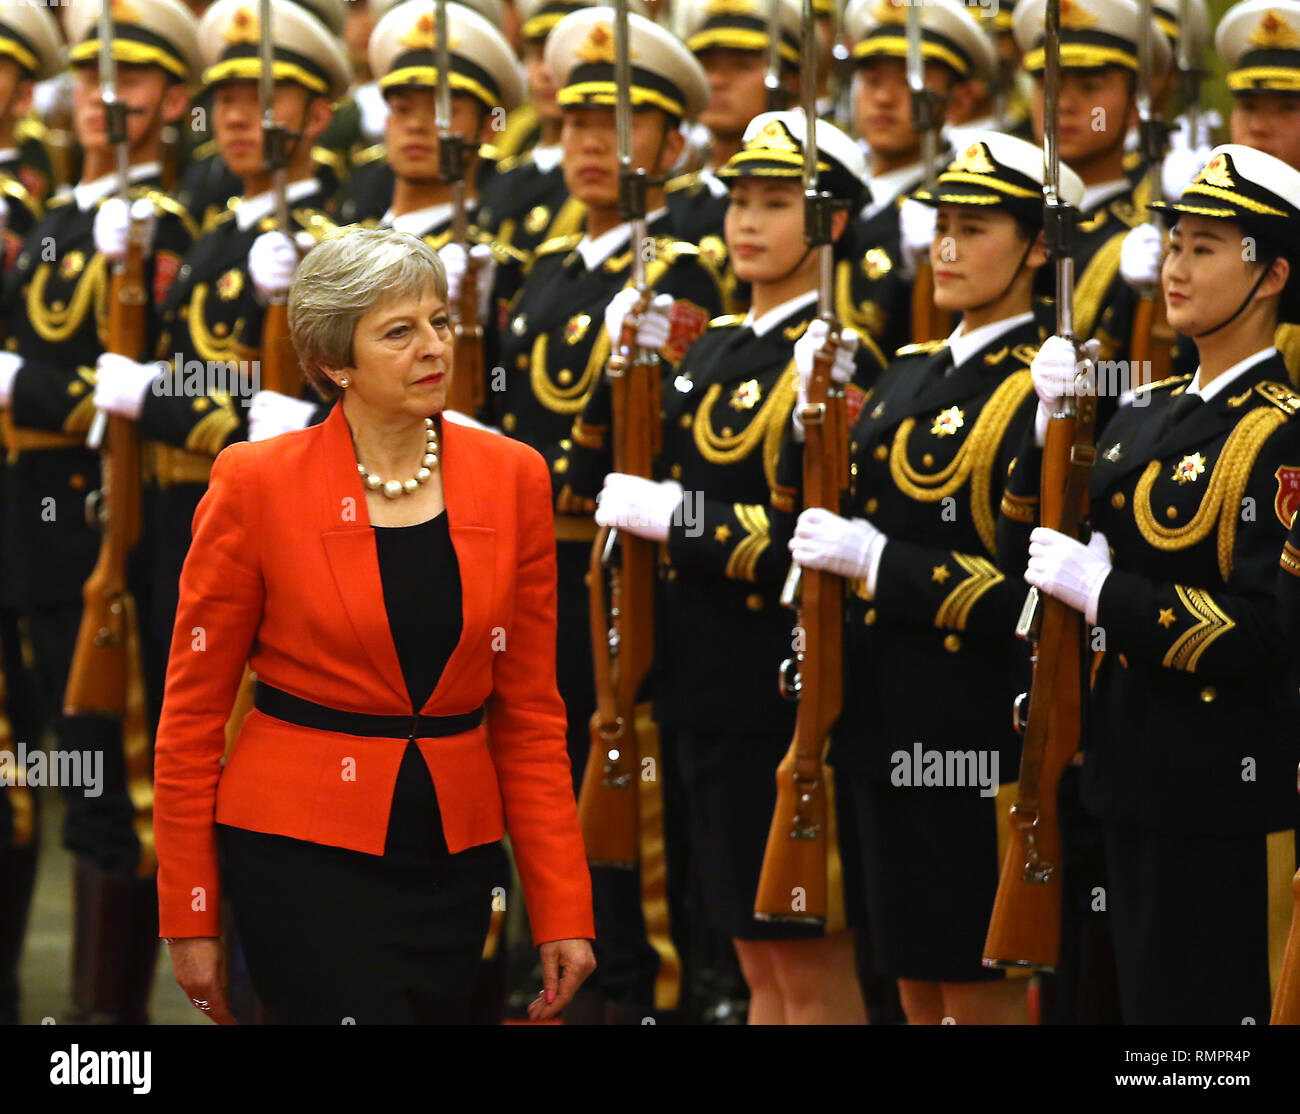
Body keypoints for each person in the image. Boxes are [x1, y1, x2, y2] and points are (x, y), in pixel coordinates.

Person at [154, 224, 596, 1025]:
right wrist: (190, 915)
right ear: (334, 363)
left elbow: (531, 716)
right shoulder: (256, 483)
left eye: (440, 322)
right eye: (399, 332)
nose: (434, 347)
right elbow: (190, 720)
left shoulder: (512, 476)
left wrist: (562, 909)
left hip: (456, 864)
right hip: (300, 856)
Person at [592, 110, 882, 1025]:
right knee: (753, 956)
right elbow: (602, 466)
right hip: (694, 677)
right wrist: (621, 369)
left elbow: (814, 528)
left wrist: (680, 521)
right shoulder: (712, 343)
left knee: (807, 959)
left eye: (777, 204)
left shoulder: (837, 354)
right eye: (740, 203)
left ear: (831, 225)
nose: (747, 222)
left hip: (781, 686)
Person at [787, 131, 1076, 1025]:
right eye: (941, 226)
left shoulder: (1050, 383)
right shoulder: (906, 369)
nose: (947, 248)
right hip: (877, 714)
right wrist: (812, 424)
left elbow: (1032, 595)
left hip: (971, 727)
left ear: (1037, 248)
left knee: (974, 991)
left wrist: (879, 564)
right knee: (910, 982)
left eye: (976, 228)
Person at [1012, 144, 1300, 1024]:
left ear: (1272, 274)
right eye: (1175, 245)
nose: (1177, 268)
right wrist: (1045, 428)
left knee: (1203, 1042)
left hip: (1219, 796)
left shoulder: (1286, 436)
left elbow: (1272, 630)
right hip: (1111, 777)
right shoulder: (1141, 408)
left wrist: (1111, 599)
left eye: (1208, 248)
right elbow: (1023, 545)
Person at [0, 0, 201, 1024]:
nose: (100, 102)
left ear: (172, 101)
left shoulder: (174, 228)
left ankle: (111, 1029)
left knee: (117, 782)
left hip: (112, 530)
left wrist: (23, 389)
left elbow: (165, 389)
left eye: (123, 86)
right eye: (87, 84)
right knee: (50, 765)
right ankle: (85, 1023)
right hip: (29, 537)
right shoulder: (49, 225)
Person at [843, 0, 996, 357]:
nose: (883, 98)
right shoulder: (836, 185)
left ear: (956, 102)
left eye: (908, 83)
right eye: (872, 81)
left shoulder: (965, 199)